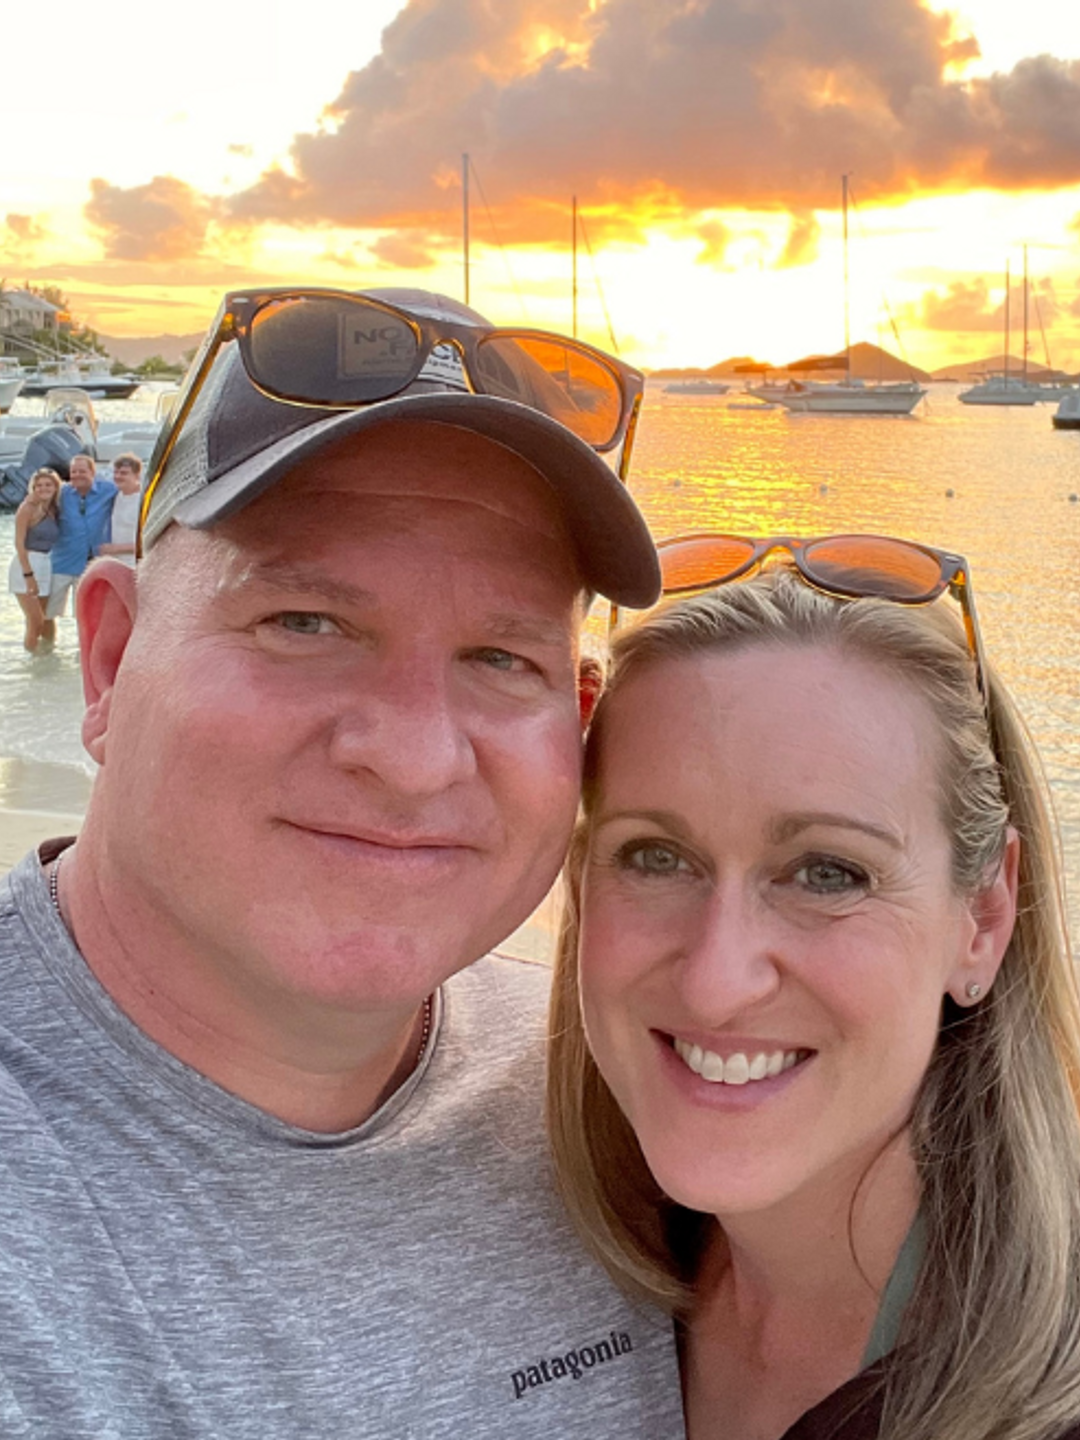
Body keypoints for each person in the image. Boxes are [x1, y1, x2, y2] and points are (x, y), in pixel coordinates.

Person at [0, 287, 684, 1438]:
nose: (413, 760)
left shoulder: (624, 1109)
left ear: (577, 721)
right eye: (304, 624)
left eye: (501, 657)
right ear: (110, 659)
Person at [549, 542, 1080, 1440]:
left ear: (985, 917)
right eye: (654, 857)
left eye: (828, 873)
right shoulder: (543, 1247)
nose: (717, 982)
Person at [42, 450, 117, 636]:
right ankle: (47, 650)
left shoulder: (109, 490)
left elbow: (134, 493)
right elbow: (35, 502)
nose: (77, 475)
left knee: (86, 616)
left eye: (82, 471)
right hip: (61, 562)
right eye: (73, 471)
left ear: (93, 472)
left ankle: (82, 652)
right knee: (47, 614)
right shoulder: (61, 493)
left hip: (91, 565)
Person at [6, 465, 61, 651]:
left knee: (47, 619)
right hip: (26, 565)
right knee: (35, 621)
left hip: (46, 565)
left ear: (55, 487)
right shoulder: (27, 508)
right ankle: (31, 662)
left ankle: (47, 659)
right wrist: (29, 576)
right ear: (33, 488)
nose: (43, 488)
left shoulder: (54, 509)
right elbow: (19, 544)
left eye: (48, 485)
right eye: (39, 485)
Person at [94, 451, 141, 567]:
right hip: (115, 563)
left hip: (136, 563)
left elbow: (150, 542)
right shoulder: (115, 496)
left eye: (124, 473)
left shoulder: (144, 501)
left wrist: (117, 548)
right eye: (116, 472)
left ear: (137, 475)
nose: (118, 477)